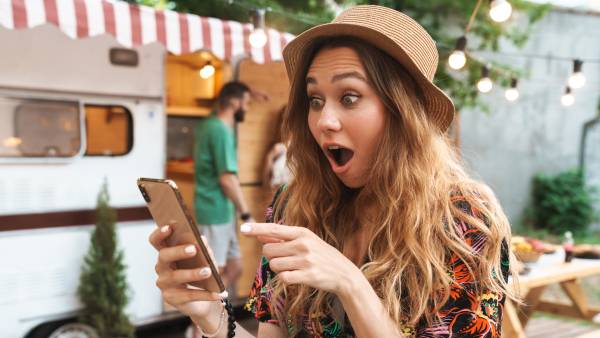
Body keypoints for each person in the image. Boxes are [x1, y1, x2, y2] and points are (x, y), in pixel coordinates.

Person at [149, 5, 517, 338]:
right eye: (315, 100)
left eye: (350, 97)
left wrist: (350, 284)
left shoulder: (464, 219)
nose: (324, 121)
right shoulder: (294, 205)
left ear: (402, 112)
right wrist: (211, 314)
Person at [193, 81, 256, 289]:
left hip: (222, 213)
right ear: (233, 102)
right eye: (245, 102)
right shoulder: (220, 130)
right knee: (215, 275)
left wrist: (254, 92)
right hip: (214, 212)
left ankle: (214, 311)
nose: (247, 108)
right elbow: (227, 179)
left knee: (235, 267)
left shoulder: (210, 123)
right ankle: (201, 321)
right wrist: (246, 214)